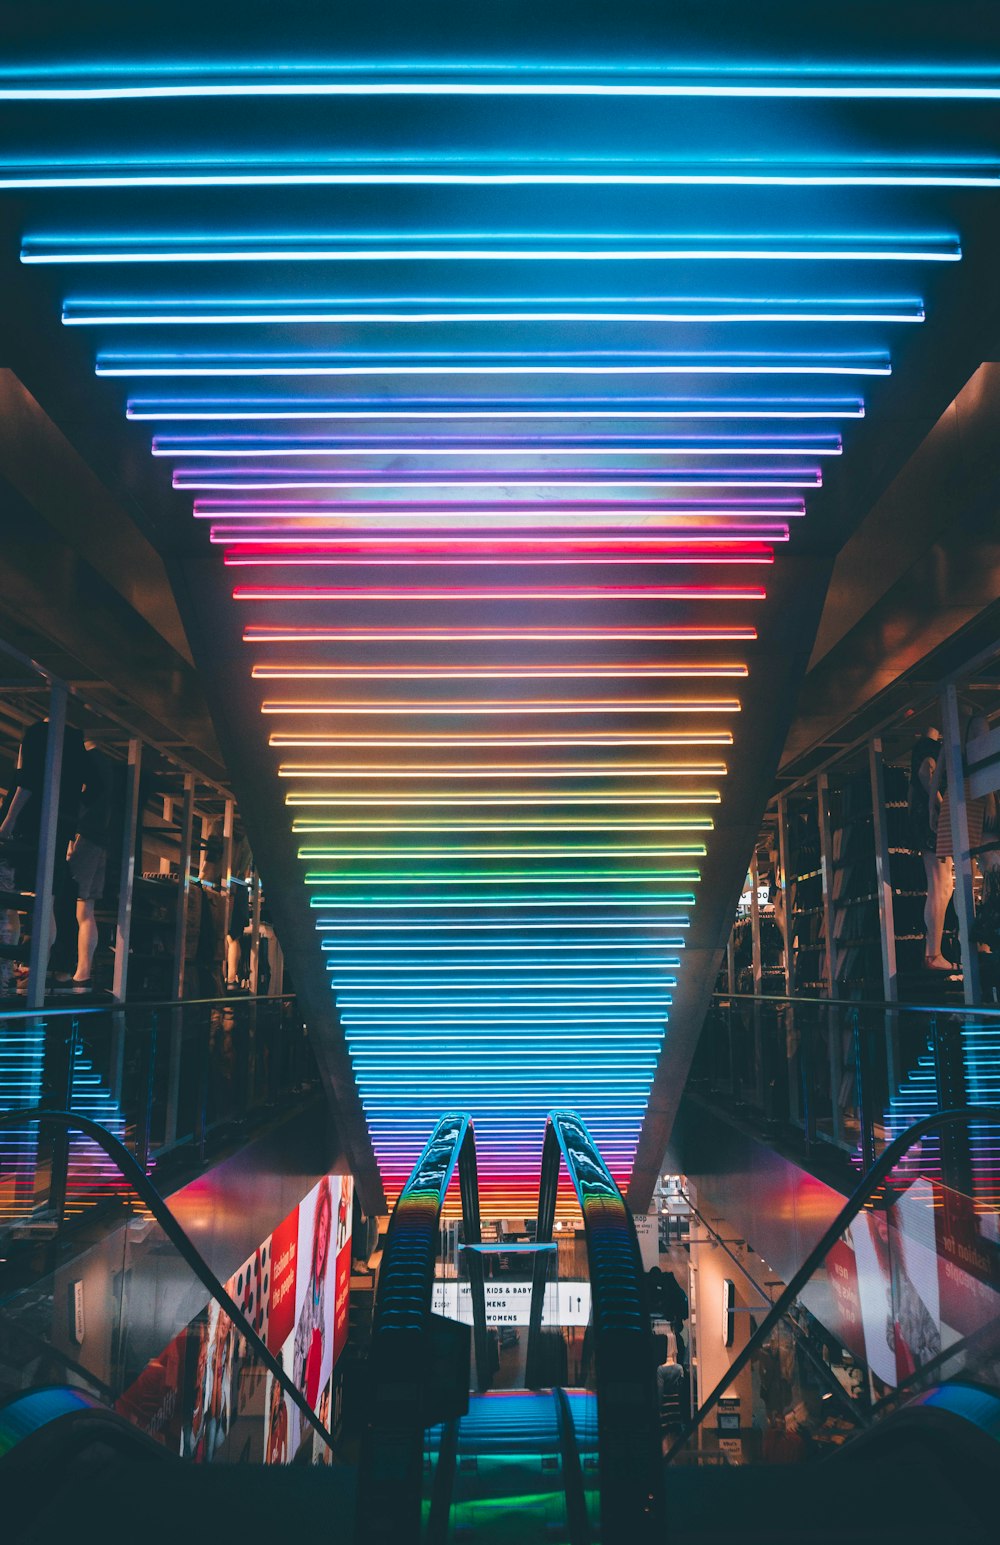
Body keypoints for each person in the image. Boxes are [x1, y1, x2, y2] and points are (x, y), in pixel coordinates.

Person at [59, 738, 112, 993]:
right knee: (85, 910)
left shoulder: (87, 764)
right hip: (100, 839)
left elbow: (81, 801)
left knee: (69, 903)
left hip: (85, 837)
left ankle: (69, 969)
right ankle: (83, 972)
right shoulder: (105, 767)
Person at [909, 729, 953, 971]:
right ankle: (933, 953)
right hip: (932, 821)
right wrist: (939, 806)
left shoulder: (921, 748)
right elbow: (926, 772)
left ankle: (933, 952)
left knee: (942, 884)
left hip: (924, 819)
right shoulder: (928, 747)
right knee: (941, 884)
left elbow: (916, 783)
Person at [293, 1177, 333, 1411]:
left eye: (327, 1229)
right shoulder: (307, 1291)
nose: (322, 1239)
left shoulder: (322, 1292)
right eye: (322, 1226)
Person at [266, 1357, 289, 1465]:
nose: (277, 1389)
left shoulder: (283, 1408)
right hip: (272, 1450)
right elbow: (270, 1436)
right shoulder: (272, 1407)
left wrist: (285, 1458)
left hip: (278, 1451)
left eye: (279, 1387)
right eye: (276, 1387)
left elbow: (285, 1438)